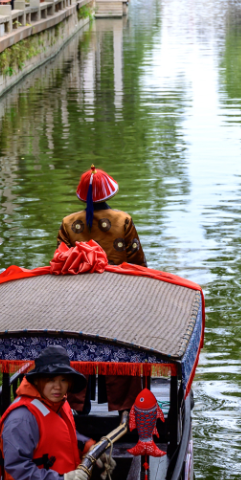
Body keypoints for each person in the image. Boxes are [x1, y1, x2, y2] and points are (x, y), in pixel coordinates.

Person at [57, 165, 146, 414]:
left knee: (76, 346)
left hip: (77, 302)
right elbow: (138, 265)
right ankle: (125, 409)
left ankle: (75, 407)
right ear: (109, 194)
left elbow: (60, 264)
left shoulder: (68, 223)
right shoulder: (124, 221)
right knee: (122, 348)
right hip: (117, 300)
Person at [0, 346, 116, 480]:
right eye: (50, 379)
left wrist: (91, 448)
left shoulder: (58, 403)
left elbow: (63, 435)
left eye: (63, 380)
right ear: (37, 381)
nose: (58, 387)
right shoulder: (21, 418)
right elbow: (17, 469)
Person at [57, 165, 147, 268]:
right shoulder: (123, 220)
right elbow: (136, 259)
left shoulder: (68, 222)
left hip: (79, 280)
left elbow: (61, 258)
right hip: (117, 278)